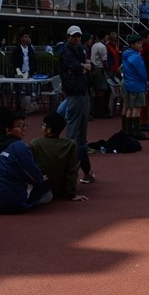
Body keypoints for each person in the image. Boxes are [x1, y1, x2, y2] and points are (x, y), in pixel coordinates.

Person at [0, 111, 53, 214]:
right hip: (11, 204)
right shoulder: (19, 146)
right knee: (46, 184)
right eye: (19, 126)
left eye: (24, 125)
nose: (23, 129)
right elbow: (33, 176)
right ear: (8, 130)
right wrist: (40, 178)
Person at [59, 25, 95, 185]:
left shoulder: (79, 49)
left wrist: (84, 67)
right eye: (74, 36)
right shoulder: (67, 51)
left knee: (80, 135)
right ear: (68, 37)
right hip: (75, 92)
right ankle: (67, 171)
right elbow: (77, 66)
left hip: (82, 91)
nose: (77, 38)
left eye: (79, 36)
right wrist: (84, 66)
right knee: (73, 132)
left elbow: (87, 66)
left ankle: (85, 171)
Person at [31, 112, 88, 201]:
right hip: (61, 190)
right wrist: (71, 193)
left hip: (43, 187)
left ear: (49, 130)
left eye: (43, 125)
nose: (42, 127)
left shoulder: (35, 143)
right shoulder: (70, 144)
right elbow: (71, 171)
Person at [120, 35, 149, 141]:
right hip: (136, 84)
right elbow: (142, 73)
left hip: (128, 83)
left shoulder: (126, 55)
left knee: (128, 107)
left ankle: (127, 130)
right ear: (132, 44)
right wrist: (145, 82)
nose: (140, 45)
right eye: (138, 43)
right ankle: (136, 131)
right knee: (136, 108)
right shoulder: (136, 57)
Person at [11, 31, 38, 111]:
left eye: (28, 37)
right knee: (18, 90)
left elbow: (33, 60)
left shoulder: (30, 48)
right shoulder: (17, 49)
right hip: (20, 72)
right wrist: (18, 72)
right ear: (21, 38)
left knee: (29, 90)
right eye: (25, 37)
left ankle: (28, 107)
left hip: (28, 72)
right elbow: (14, 62)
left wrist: (35, 70)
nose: (27, 38)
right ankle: (18, 107)